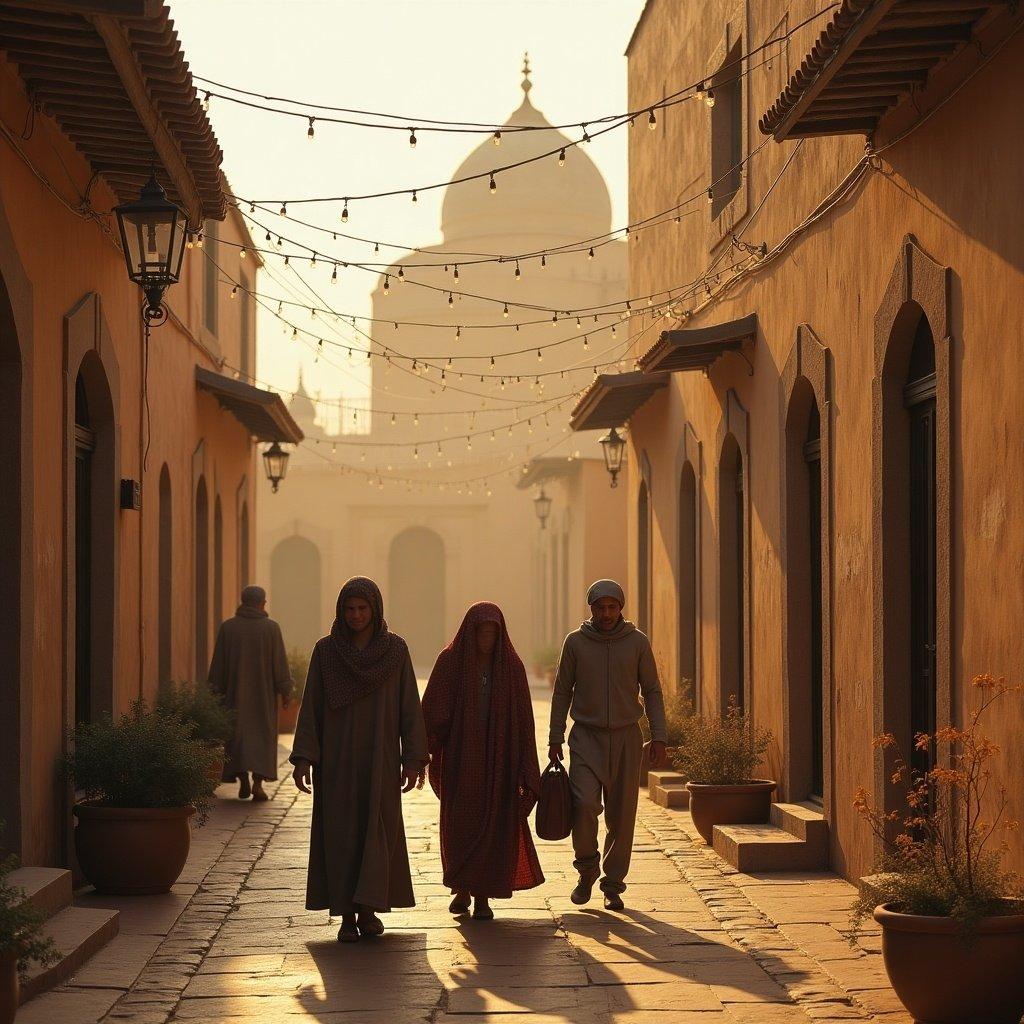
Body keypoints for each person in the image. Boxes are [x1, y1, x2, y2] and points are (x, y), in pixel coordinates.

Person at [290, 577, 428, 943]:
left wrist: (413, 759)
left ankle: (369, 910)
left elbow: (408, 707)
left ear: (375, 609)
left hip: (380, 762)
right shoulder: (327, 652)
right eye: (349, 609)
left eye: (362, 608)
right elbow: (312, 708)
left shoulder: (395, 651)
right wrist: (304, 756)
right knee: (341, 835)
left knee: (377, 832)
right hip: (336, 764)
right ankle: (347, 915)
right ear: (341, 610)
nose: (355, 615)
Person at [548, 580, 667, 911]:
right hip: (586, 737)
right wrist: (555, 736)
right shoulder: (575, 642)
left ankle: (613, 883)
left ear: (621, 608)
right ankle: (587, 868)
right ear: (591, 609)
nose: (606, 614)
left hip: (627, 737)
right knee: (584, 804)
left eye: (612, 607)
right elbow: (561, 691)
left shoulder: (637, 643)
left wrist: (659, 736)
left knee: (622, 814)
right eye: (600, 608)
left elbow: (652, 691)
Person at [422, 603, 544, 921]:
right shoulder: (451, 662)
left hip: (499, 764)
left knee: (494, 829)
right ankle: (462, 887)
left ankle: (483, 897)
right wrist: (424, 747)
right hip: (461, 763)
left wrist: (526, 769)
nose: (487, 639)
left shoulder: (511, 668)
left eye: (493, 633)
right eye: (481, 633)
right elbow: (433, 709)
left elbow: (524, 722)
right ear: (470, 633)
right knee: (460, 826)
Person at [209, 585, 292, 802]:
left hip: (234, 697)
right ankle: (257, 784)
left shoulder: (229, 628)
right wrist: (286, 691)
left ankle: (242, 779)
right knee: (262, 738)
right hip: (263, 698)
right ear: (262, 603)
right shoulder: (271, 628)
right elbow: (279, 664)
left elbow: (218, 666)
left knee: (237, 737)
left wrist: (213, 694)